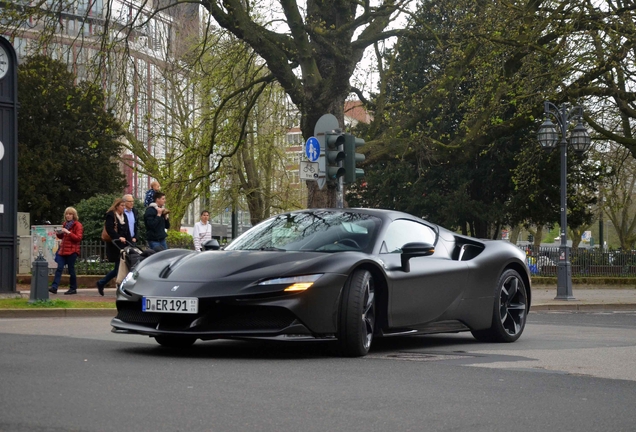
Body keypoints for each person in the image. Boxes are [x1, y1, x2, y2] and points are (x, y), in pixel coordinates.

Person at [96, 198, 132, 296]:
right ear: (116, 206)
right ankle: (117, 287)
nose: (124, 208)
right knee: (118, 268)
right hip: (115, 245)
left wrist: (130, 243)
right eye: (122, 206)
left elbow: (127, 230)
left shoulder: (124, 216)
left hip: (123, 245)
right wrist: (118, 237)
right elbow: (109, 229)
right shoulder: (111, 215)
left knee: (119, 268)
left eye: (124, 206)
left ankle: (102, 282)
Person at [48, 207, 83, 295]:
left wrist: (68, 232)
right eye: (67, 214)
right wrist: (59, 233)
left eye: (70, 214)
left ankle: (73, 288)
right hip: (63, 251)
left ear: (74, 215)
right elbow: (62, 237)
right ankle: (54, 287)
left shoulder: (77, 225)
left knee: (71, 270)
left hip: (72, 251)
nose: (68, 216)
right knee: (59, 268)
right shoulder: (65, 224)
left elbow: (78, 238)